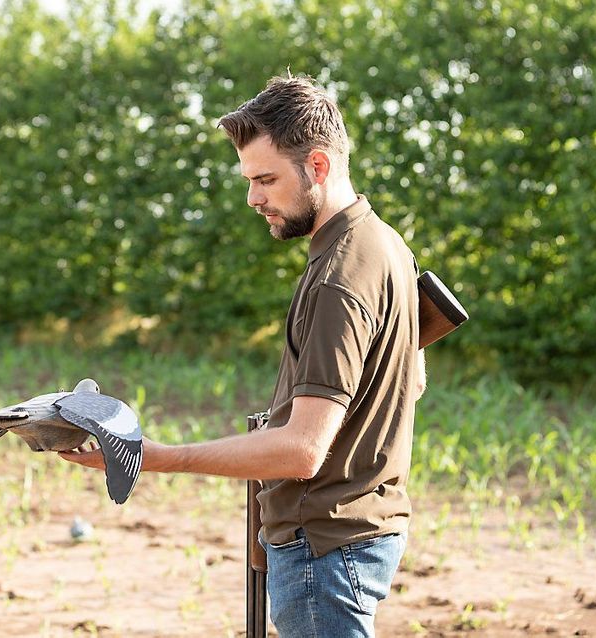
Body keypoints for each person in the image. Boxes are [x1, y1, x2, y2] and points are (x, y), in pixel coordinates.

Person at [60, 75, 425, 638]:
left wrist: (156, 456)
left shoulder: (338, 277)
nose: (253, 198)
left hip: (324, 548)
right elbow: (411, 379)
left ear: (319, 167)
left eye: (265, 179)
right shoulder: (386, 246)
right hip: (354, 535)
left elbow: (303, 450)